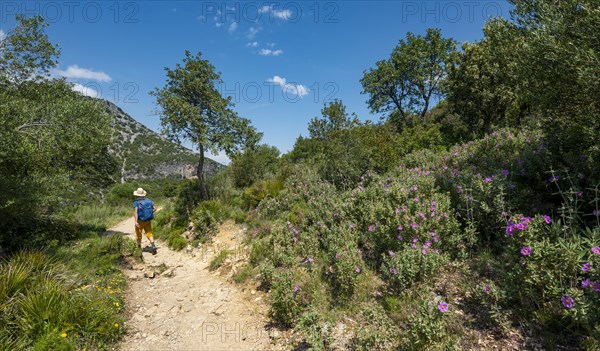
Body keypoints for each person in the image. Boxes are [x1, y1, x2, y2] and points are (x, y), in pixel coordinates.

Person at [133, 187, 157, 254]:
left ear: (137, 194)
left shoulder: (136, 202)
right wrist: (149, 213)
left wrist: (135, 221)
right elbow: (155, 208)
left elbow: (135, 212)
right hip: (148, 220)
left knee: (138, 234)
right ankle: (153, 245)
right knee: (149, 232)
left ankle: (139, 248)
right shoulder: (149, 200)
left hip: (140, 221)